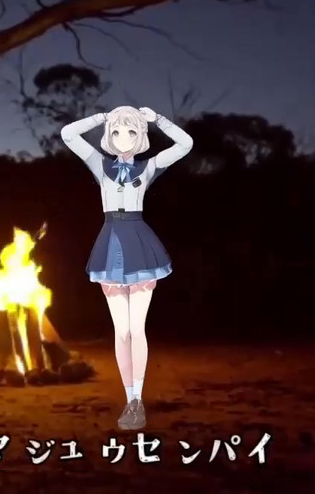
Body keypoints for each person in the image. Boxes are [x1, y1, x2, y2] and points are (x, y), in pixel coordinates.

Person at [60, 105, 193, 430]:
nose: (123, 138)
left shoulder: (148, 167)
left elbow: (186, 144)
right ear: (109, 135)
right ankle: (129, 399)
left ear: (141, 136)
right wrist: (99, 118)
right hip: (110, 245)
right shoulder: (99, 164)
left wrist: (158, 120)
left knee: (136, 329)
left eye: (131, 132)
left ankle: (138, 400)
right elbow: (68, 134)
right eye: (117, 132)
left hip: (139, 243)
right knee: (121, 331)